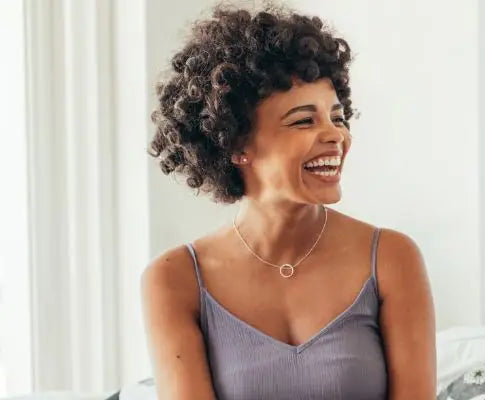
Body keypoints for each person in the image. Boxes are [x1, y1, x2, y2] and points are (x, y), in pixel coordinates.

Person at [141, 6, 435, 399]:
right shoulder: (174, 279)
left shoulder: (392, 258)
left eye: (337, 117)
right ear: (236, 144)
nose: (336, 136)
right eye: (304, 121)